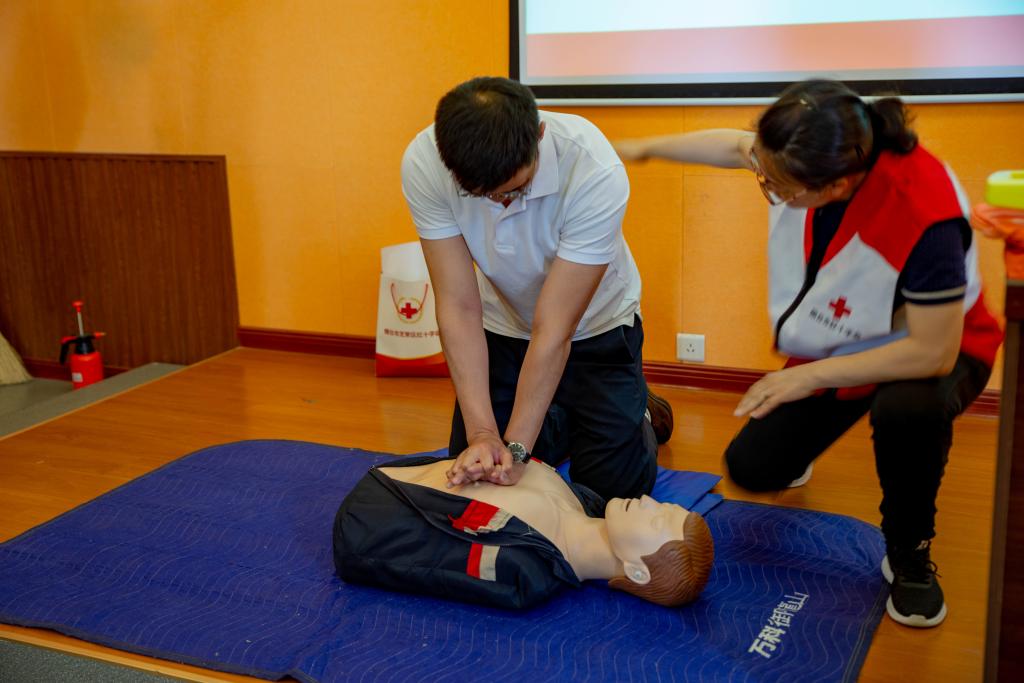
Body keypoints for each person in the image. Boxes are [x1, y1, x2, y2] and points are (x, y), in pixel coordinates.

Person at [613, 79, 1003, 628]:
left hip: (939, 348)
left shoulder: (927, 214)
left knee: (907, 411)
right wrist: (641, 148)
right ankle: (808, 440)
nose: (766, 188)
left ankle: (909, 553)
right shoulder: (815, 148)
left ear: (836, 184)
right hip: (847, 341)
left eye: (777, 187)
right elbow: (736, 147)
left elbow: (932, 353)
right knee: (752, 468)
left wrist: (807, 377)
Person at [401, 76, 673, 502]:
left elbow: (554, 328)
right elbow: (458, 304)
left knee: (608, 497)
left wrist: (516, 449)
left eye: (514, 189)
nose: (501, 204)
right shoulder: (425, 162)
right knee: (478, 479)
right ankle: (558, 413)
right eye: (483, 196)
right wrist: (483, 433)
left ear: (539, 135)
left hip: (595, 327)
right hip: (503, 323)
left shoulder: (592, 168)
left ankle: (639, 411)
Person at [333, 455, 713, 609]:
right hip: (389, 479)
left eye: (656, 520)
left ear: (637, 571)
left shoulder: (522, 569)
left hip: (367, 512)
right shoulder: (582, 499)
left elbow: (418, 554)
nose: (647, 500)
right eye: (662, 506)